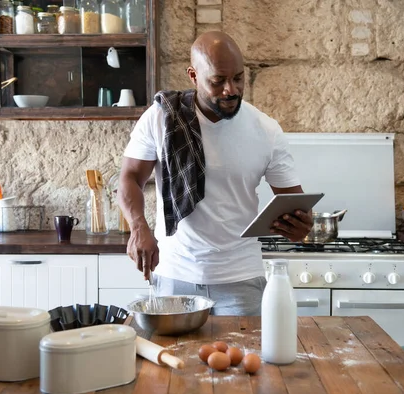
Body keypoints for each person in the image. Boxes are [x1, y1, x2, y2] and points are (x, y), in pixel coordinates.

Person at [118, 31, 313, 316]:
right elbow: (130, 178)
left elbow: (295, 205)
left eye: (238, 78)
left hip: (241, 278)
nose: (231, 89)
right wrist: (138, 226)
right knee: (174, 361)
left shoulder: (267, 130)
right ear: (193, 76)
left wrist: (302, 227)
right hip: (175, 274)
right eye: (218, 81)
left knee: (243, 361)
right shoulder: (162, 118)